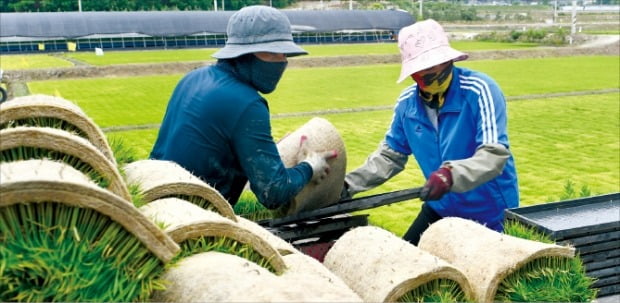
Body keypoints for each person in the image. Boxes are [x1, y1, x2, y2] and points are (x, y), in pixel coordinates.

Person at [341, 19, 519, 245]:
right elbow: (390, 156)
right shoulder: (407, 105)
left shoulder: (479, 91)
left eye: (435, 63)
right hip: (441, 207)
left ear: (448, 60)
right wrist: (348, 185)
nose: (428, 72)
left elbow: (494, 156)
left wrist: (449, 175)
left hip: (490, 213)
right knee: (405, 262)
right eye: (421, 67)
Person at [150, 5, 337, 210]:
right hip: (190, 214)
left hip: (155, 196)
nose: (282, 61)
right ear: (245, 54)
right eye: (274, 52)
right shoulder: (248, 103)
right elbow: (273, 192)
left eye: (284, 54)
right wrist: (310, 167)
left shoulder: (193, 77)